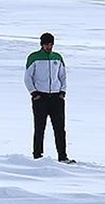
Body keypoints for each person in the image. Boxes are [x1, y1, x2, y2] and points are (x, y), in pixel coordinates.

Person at [24, 32, 72, 163]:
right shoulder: (34, 58)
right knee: (40, 127)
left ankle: (63, 156)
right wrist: (34, 93)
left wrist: (62, 91)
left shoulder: (57, 57)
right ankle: (37, 155)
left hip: (56, 97)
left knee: (59, 128)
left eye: (51, 44)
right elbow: (28, 77)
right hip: (40, 97)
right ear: (42, 44)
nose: (49, 47)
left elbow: (63, 76)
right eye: (46, 44)